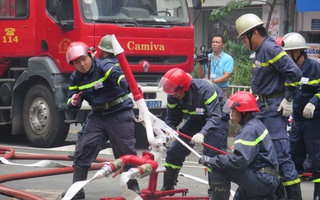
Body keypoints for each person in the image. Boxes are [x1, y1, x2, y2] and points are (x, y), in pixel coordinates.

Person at [235, 13, 303, 199]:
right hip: (264, 108)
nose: (244, 43)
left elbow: (294, 73)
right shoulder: (261, 51)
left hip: (273, 109)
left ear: (254, 33)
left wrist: (288, 99)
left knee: (281, 155)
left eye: (244, 39)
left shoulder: (270, 48)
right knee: (266, 153)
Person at [62, 39, 140, 199]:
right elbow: (70, 101)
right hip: (98, 115)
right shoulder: (75, 78)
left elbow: (119, 77)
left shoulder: (104, 66)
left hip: (119, 112)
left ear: (90, 55)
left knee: (126, 154)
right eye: (77, 62)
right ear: (73, 65)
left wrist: (129, 85)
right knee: (83, 151)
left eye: (84, 59)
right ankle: (77, 192)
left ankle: (133, 190)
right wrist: (73, 102)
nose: (82, 64)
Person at [158, 68, 228, 198]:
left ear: (184, 87)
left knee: (212, 156)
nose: (172, 95)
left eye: (174, 92)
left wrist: (202, 133)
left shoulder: (205, 90)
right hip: (196, 119)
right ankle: (168, 185)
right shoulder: (173, 95)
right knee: (175, 151)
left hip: (217, 118)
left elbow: (215, 117)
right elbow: (172, 118)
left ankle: (217, 194)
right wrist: (169, 131)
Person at [199, 91, 279, 199]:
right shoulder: (255, 125)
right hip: (266, 177)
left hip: (262, 179)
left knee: (218, 167)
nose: (231, 114)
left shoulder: (249, 130)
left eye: (233, 110)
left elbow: (238, 161)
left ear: (243, 112)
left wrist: (212, 160)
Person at [281, 32, 320, 199]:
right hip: (297, 120)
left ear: (297, 52)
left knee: (317, 157)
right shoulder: (290, 70)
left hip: (314, 121)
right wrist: (286, 100)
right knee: (294, 156)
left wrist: (314, 101)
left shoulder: (314, 67)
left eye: (287, 53)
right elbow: (289, 89)